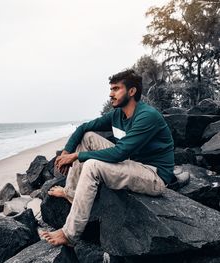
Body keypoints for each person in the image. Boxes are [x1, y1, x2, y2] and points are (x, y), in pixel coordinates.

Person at [41, 69, 175, 246]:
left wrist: (78, 156)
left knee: (92, 165)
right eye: (111, 89)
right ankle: (72, 193)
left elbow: (119, 153)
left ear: (132, 91)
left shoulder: (147, 116)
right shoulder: (118, 114)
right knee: (88, 136)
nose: (111, 94)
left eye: (116, 89)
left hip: (153, 175)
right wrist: (67, 152)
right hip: (132, 163)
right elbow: (83, 128)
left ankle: (69, 234)